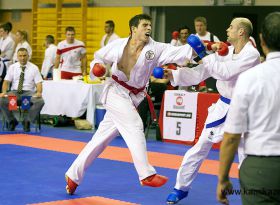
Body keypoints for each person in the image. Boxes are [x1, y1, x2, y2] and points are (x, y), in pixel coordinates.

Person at [64, 14, 194, 195]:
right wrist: (97, 69)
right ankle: (146, 174)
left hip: (134, 96)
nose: (149, 28)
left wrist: (202, 48)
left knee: (100, 140)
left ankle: (73, 175)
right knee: (134, 124)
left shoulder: (156, 48)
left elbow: (181, 53)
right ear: (134, 29)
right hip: (115, 91)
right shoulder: (118, 45)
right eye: (144, 25)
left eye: (150, 25)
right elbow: (99, 57)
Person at [165, 17, 260, 204]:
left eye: (231, 27)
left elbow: (224, 72)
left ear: (241, 32)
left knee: (246, 156)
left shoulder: (252, 55)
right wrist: (175, 75)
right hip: (222, 106)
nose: (227, 29)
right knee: (199, 148)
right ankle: (180, 188)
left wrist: (202, 52)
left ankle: (254, 197)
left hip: (244, 110)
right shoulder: (227, 51)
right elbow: (202, 72)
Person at [216, 12, 280, 205]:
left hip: (261, 168)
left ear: (261, 40)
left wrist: (223, 179)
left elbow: (232, 136)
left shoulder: (250, 78)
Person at [0, 48, 44, 132]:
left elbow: (39, 83)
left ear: (28, 56)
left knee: (40, 101)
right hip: (14, 92)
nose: (22, 58)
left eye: (24, 56)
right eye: (20, 56)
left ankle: (27, 121)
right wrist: (4, 92)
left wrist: (39, 92)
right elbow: (6, 82)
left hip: (29, 93)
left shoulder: (34, 68)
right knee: (1, 100)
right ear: (17, 57)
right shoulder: (12, 67)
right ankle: (12, 121)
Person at [194, 16, 220, 92]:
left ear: (205, 26)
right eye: (197, 26)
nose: (199, 28)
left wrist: (208, 61)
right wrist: (199, 60)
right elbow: (190, 54)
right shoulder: (193, 38)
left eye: (201, 25)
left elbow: (220, 53)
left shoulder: (213, 37)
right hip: (196, 67)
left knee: (210, 91)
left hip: (210, 69)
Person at [0, 23, 15, 92]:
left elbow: (2, 50)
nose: (0, 32)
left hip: (6, 63)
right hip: (1, 60)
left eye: (1, 31)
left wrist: (2, 53)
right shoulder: (2, 39)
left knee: (3, 80)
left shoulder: (10, 40)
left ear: (6, 31)